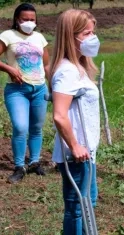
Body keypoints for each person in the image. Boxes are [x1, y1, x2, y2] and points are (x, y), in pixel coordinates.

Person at [49, 9, 100, 234]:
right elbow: (59, 115)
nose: (93, 38)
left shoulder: (78, 67)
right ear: (72, 36)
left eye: (93, 32)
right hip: (76, 154)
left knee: (89, 202)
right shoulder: (67, 71)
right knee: (77, 208)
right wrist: (75, 146)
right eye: (87, 33)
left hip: (86, 151)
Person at [0, 3, 49, 184]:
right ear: (16, 20)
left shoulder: (39, 38)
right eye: (25, 19)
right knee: (21, 127)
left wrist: (54, 86)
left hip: (39, 89)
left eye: (32, 19)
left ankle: (35, 162)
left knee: (36, 128)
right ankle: (19, 166)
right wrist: (9, 69)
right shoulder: (8, 36)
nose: (29, 22)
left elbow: (46, 65)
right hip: (17, 90)